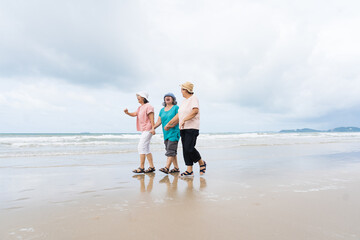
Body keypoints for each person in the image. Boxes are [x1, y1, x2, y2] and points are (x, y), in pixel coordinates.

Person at [166, 82, 206, 176]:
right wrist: (169, 124)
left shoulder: (193, 98)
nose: (181, 92)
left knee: (189, 148)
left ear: (187, 90)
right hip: (183, 128)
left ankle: (201, 162)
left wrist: (185, 119)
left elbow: (195, 111)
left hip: (192, 127)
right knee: (185, 149)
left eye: (182, 90)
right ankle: (189, 170)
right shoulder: (184, 101)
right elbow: (179, 115)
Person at [124, 91, 156, 174]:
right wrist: (127, 113)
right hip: (144, 129)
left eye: (139, 96)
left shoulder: (149, 106)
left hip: (148, 128)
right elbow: (134, 114)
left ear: (143, 98)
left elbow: (152, 118)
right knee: (146, 148)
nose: (137, 97)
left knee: (141, 147)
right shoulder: (140, 107)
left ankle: (141, 167)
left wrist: (153, 128)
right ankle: (151, 166)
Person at [153, 93, 180, 174]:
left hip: (174, 132)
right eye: (166, 97)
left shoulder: (176, 108)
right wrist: (152, 128)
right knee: (172, 152)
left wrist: (170, 125)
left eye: (169, 97)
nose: (167, 98)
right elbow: (159, 121)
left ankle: (166, 168)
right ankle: (176, 168)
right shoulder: (162, 110)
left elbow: (178, 118)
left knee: (170, 151)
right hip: (166, 134)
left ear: (173, 99)